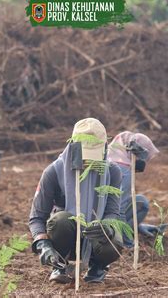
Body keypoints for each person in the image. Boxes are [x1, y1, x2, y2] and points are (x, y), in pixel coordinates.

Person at [29, 118, 123, 284]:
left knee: (115, 238)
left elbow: (112, 211)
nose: (89, 163)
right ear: (72, 145)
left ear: (104, 148)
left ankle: (98, 266)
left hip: (96, 238)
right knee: (61, 220)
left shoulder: (113, 171)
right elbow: (37, 217)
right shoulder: (53, 171)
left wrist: (106, 227)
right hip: (65, 236)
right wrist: (42, 244)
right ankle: (60, 265)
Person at [107, 131, 165, 247]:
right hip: (106, 222)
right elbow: (118, 210)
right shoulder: (123, 170)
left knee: (140, 201)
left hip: (102, 217)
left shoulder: (110, 160)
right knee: (138, 204)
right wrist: (129, 244)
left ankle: (123, 232)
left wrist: (138, 226)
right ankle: (118, 240)